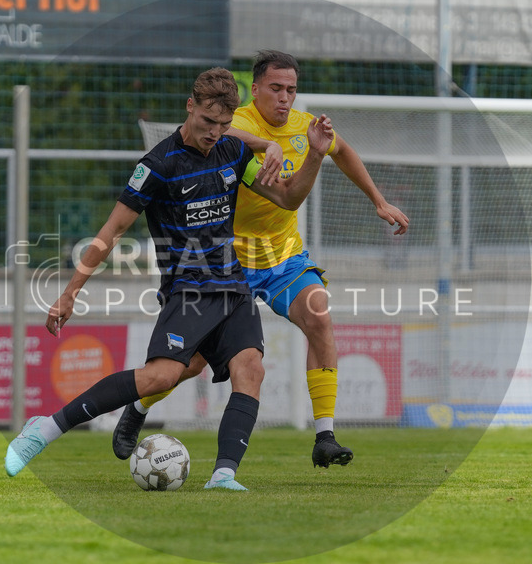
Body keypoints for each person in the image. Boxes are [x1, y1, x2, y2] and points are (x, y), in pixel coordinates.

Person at [4, 67, 335, 491]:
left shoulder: (233, 150)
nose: (213, 132)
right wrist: (70, 293)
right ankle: (45, 428)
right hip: (188, 290)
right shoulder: (158, 165)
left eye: (223, 124)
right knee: (160, 377)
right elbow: (111, 231)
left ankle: (223, 476)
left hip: (233, 286)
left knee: (251, 369)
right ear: (189, 106)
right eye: (207, 121)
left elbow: (288, 197)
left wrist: (313, 155)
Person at [112, 50, 411, 468]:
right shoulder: (233, 122)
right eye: (275, 88)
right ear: (255, 90)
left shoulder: (306, 126)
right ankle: (139, 407)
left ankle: (324, 435)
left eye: (291, 89)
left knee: (319, 315)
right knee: (191, 364)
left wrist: (377, 200)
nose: (284, 97)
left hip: (282, 256)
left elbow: (341, 151)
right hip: (228, 262)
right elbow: (223, 132)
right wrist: (265, 144)